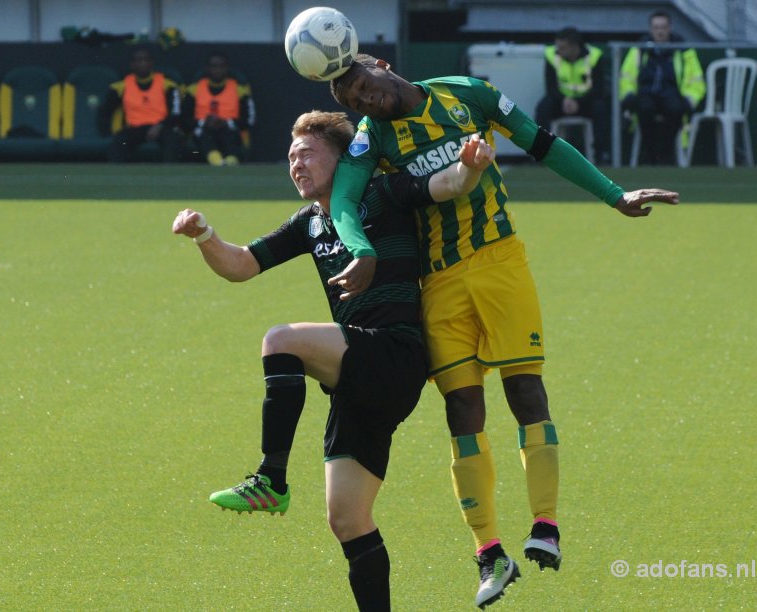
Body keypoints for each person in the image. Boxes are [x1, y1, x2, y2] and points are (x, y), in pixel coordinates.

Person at [327, 54, 680, 608]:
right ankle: (489, 551)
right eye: (349, 100)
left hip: (500, 263)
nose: (363, 100)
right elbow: (344, 200)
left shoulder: (468, 92)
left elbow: (543, 145)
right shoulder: (371, 139)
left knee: (525, 390)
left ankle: (546, 527)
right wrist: (363, 250)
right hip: (439, 283)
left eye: (362, 85)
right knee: (462, 409)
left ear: (381, 64)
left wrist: (614, 195)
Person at [172, 111, 495, 610]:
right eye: (290, 158)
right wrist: (203, 235)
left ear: (343, 159)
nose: (296, 165)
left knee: (281, 340)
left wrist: (471, 166)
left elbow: (450, 182)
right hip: (359, 380)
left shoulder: (382, 193)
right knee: (347, 518)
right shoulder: (310, 222)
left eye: (306, 154)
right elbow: (240, 266)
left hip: (394, 351)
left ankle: (271, 479)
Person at [620, 10, 706, 165]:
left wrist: (689, 100)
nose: (659, 31)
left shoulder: (684, 50)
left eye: (663, 27)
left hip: (672, 94)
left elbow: (696, 80)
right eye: (656, 27)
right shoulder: (639, 49)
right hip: (646, 94)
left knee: (675, 109)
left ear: (669, 28)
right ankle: (650, 154)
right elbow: (626, 76)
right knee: (644, 108)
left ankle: (665, 154)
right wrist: (628, 96)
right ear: (650, 29)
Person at [535, 26, 610, 164]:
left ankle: (601, 155)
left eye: (562, 47)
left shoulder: (594, 56)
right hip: (560, 102)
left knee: (600, 107)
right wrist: (564, 99)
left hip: (586, 102)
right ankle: (539, 152)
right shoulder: (552, 55)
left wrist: (578, 102)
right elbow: (550, 87)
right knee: (543, 106)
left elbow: (599, 89)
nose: (558, 50)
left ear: (574, 46)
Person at [97, 47, 183, 163]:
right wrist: (107, 133)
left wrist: (159, 126)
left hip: (161, 128)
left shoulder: (168, 85)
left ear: (151, 63)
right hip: (135, 129)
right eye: (138, 60)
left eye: (146, 60)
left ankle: (170, 175)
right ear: (132, 65)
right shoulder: (120, 87)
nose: (142, 63)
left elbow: (176, 113)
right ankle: (116, 176)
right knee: (120, 141)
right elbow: (104, 112)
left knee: (174, 139)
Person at [182, 53, 256, 166]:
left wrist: (226, 122)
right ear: (207, 69)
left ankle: (231, 162)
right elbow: (184, 119)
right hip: (202, 130)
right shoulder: (194, 89)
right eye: (214, 66)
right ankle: (216, 162)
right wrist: (203, 122)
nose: (217, 70)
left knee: (228, 134)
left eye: (221, 66)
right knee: (206, 134)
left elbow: (249, 120)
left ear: (227, 68)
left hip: (231, 129)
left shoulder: (240, 90)